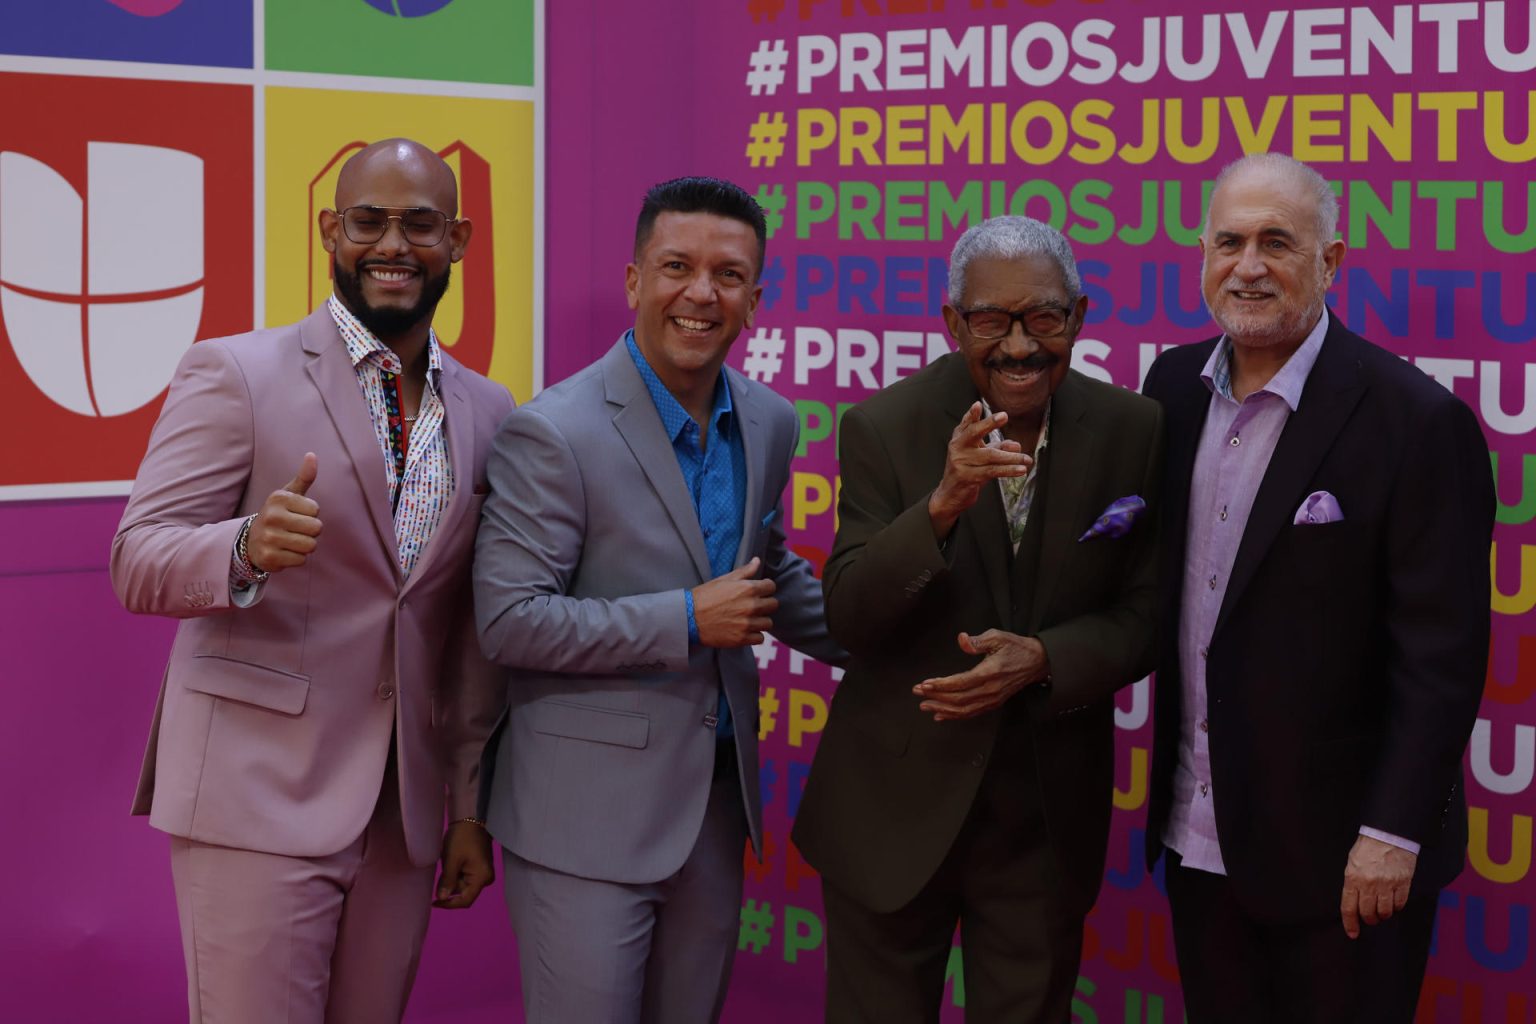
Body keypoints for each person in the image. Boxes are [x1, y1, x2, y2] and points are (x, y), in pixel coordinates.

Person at [111, 138, 512, 1023]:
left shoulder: (490, 410)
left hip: (399, 817)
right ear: (332, 230)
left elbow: (468, 635)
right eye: (368, 221)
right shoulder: (236, 373)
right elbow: (136, 558)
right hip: (254, 793)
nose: (393, 245)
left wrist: (470, 804)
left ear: (461, 239)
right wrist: (246, 545)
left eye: (420, 224)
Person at [472, 175, 843, 1023]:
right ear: (636, 280)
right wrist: (684, 619)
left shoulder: (772, 420)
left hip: (713, 813)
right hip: (582, 823)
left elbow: (765, 574)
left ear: (756, 296)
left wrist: (896, 641)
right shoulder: (553, 430)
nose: (702, 293)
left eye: (730, 275)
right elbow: (508, 617)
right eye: (677, 266)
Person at [1141, 152, 1495, 1023]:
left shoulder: (1417, 421)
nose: (1249, 266)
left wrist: (1392, 833)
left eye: (1277, 242)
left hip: (1347, 866)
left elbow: (1441, 656)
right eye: (1229, 242)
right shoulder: (1168, 393)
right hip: (1200, 842)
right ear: (1202, 255)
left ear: (1331, 262)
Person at [794, 215, 1163, 1022]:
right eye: (992, 321)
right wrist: (940, 507)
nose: (1019, 346)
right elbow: (851, 613)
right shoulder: (885, 428)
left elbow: (1146, 614)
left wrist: (1045, 658)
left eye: (1043, 318)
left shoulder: (1135, 431)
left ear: (1080, 316)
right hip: (889, 813)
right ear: (954, 323)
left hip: (1042, 821)